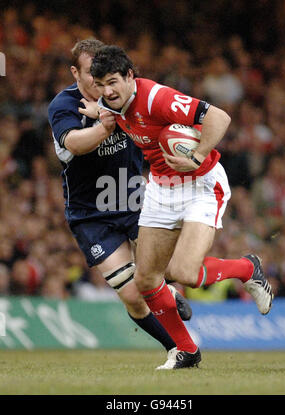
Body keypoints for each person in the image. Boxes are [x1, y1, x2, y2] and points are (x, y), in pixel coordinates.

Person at [84, 45, 274, 370]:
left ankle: (246, 268)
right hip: (161, 188)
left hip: (201, 184)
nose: (107, 91)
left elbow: (219, 117)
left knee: (183, 273)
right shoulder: (109, 101)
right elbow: (120, 117)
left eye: (113, 81)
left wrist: (196, 157)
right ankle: (186, 350)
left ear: (131, 76)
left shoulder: (158, 98)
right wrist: (100, 115)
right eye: (101, 84)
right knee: (145, 280)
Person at [47, 39, 192, 360]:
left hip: (135, 200)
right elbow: (74, 143)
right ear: (75, 73)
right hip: (90, 215)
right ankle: (178, 349)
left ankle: (231, 274)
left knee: (167, 271)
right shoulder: (63, 106)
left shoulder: (122, 96)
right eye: (91, 74)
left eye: (106, 74)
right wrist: (104, 124)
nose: (101, 82)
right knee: (132, 295)